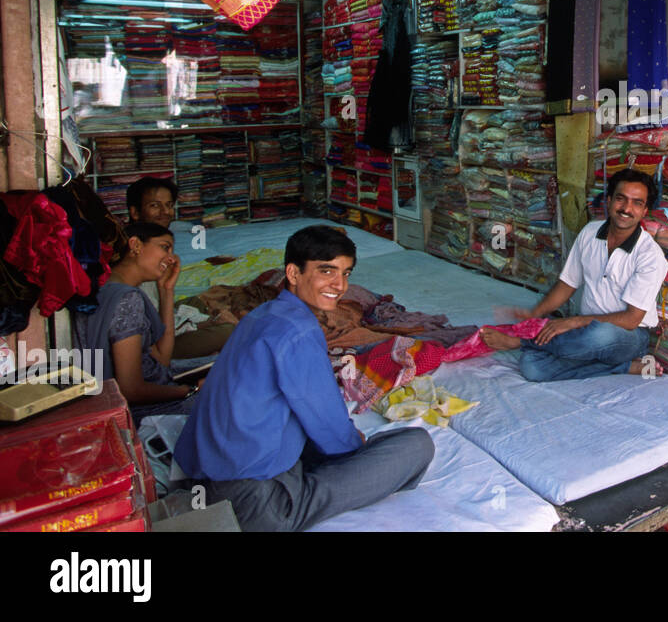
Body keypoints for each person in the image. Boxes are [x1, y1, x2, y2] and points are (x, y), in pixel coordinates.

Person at [174, 225, 434, 532]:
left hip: (203, 477)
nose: (339, 285)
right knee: (416, 445)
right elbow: (327, 421)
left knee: (323, 434)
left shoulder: (262, 315)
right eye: (326, 271)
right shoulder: (298, 331)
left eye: (346, 273)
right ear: (293, 274)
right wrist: (352, 448)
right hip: (254, 502)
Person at [482, 168, 668, 380]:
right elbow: (567, 284)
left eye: (637, 203)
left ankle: (519, 342)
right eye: (621, 199)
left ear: (644, 211)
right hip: (584, 330)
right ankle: (624, 367)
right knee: (532, 367)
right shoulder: (590, 232)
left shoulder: (650, 256)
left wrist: (573, 322)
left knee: (599, 334)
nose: (627, 208)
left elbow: (631, 319)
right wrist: (535, 314)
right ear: (608, 200)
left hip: (626, 337)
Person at [75, 222, 199, 420]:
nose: (171, 258)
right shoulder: (127, 298)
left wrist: (166, 290)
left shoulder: (106, 287)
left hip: (120, 401)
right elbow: (131, 389)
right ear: (136, 245)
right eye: (165, 247)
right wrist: (189, 390)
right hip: (134, 414)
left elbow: (162, 360)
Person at [126, 174, 233, 358]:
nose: (165, 212)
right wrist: (202, 324)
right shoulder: (138, 256)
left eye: (168, 205)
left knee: (197, 302)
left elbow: (158, 304)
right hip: (154, 344)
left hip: (159, 317)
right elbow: (150, 325)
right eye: (154, 205)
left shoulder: (152, 247)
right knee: (229, 331)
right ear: (135, 212)